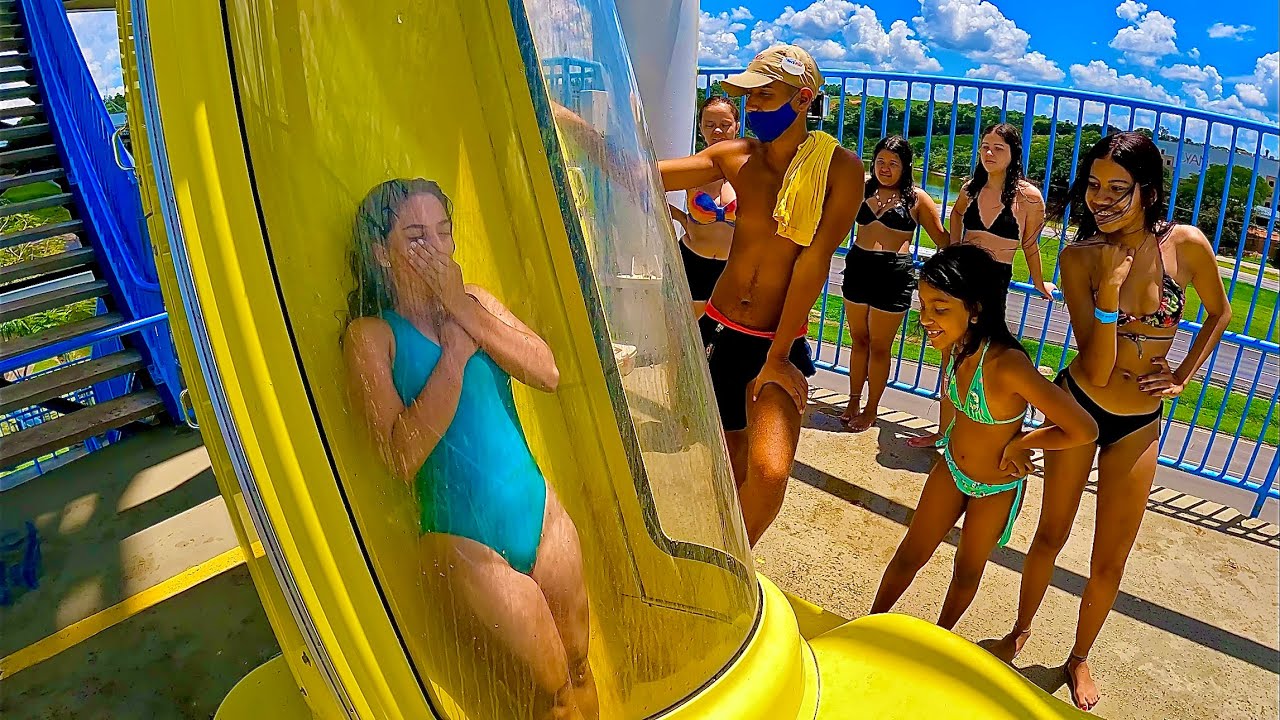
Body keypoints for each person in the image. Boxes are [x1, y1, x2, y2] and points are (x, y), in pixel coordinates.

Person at [990, 132, 1229, 712]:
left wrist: (1182, 376)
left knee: (1109, 556)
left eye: (1118, 188)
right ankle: (1020, 629)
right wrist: (1108, 297)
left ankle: (1078, 656)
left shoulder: (1186, 246)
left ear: (1147, 191)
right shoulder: (1080, 258)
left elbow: (1219, 312)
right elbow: (1096, 369)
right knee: (1051, 534)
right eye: (1094, 185)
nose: (1102, 198)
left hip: (1140, 422)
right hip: (1081, 406)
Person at [343, 179, 598, 720]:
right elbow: (399, 458)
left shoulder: (476, 301)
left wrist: (462, 308)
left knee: (579, 665)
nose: (435, 249)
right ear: (379, 255)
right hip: (463, 537)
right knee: (548, 691)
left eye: (443, 232)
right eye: (415, 237)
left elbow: (547, 372)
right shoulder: (371, 336)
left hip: (539, 511)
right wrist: (456, 354)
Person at [657, 45, 865, 546]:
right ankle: (721, 551)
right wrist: (576, 127)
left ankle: (734, 563)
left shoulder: (840, 170)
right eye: (749, 98)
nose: (753, 108)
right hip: (721, 328)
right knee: (727, 459)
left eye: (765, 96)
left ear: (803, 99)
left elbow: (813, 261)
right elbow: (650, 173)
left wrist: (776, 357)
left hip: (775, 339)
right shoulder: (736, 157)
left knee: (768, 473)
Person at [870, 244, 1097, 631]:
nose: (926, 318)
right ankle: (869, 624)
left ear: (975, 310)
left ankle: (940, 641)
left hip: (995, 487)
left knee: (966, 570)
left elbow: (1084, 429)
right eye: (923, 305)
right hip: (953, 469)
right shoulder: (959, 345)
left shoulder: (1008, 365)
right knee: (910, 552)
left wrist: (1024, 443)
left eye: (940, 308)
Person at [908, 123, 1056, 449]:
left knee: (984, 356)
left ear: (1014, 153)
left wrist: (1037, 280)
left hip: (995, 281)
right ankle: (944, 432)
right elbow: (957, 215)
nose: (989, 153)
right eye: (985, 146)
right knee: (950, 354)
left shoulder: (1028, 197)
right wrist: (955, 248)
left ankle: (982, 432)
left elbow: (1030, 244)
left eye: (998, 148)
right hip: (963, 277)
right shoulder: (970, 189)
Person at [839, 135, 948, 432]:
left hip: (893, 274)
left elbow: (943, 240)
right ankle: (852, 400)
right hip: (859, 266)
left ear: (906, 166)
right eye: (880, 162)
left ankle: (871, 409)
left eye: (893, 163)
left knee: (879, 346)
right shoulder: (862, 189)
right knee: (858, 340)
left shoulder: (917, 199)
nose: (885, 168)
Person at [669, 96, 740, 317]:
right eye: (710, 125)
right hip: (692, 260)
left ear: (737, 126)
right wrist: (682, 219)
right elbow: (649, 188)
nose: (717, 131)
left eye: (725, 125)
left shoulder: (748, 171)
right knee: (683, 333)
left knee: (719, 340)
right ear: (700, 128)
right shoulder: (693, 168)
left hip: (732, 267)